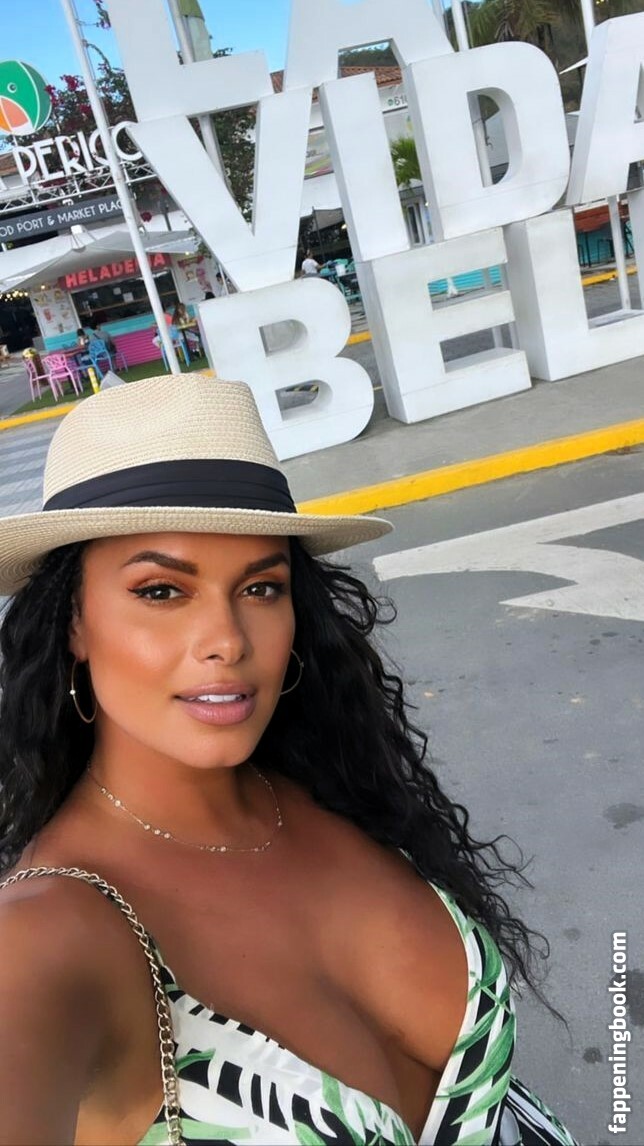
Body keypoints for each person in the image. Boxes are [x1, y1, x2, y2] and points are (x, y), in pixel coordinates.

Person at [0, 375, 577, 1146]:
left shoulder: (329, 785)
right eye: (162, 591)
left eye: (261, 587)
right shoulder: (46, 936)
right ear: (72, 621)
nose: (228, 640)